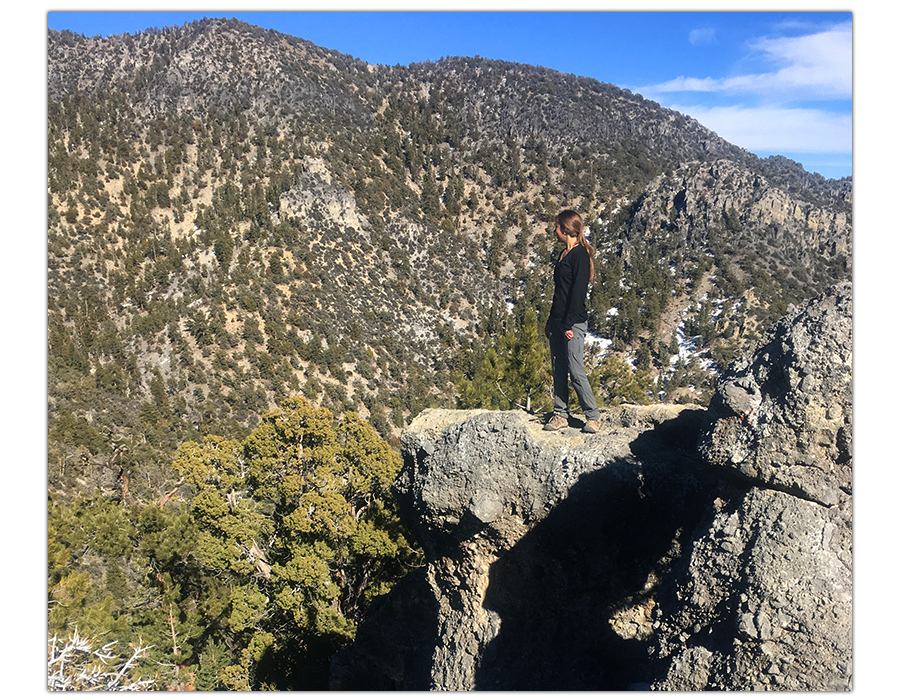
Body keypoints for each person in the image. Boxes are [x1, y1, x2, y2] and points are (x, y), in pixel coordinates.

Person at [543, 210, 601, 433]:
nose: (554, 230)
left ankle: (593, 416)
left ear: (564, 229)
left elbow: (578, 293)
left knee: (575, 369)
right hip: (558, 321)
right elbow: (559, 293)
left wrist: (568, 324)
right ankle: (560, 414)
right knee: (558, 367)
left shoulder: (580, 256)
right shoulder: (563, 255)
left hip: (572, 322)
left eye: (556, 226)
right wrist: (551, 321)